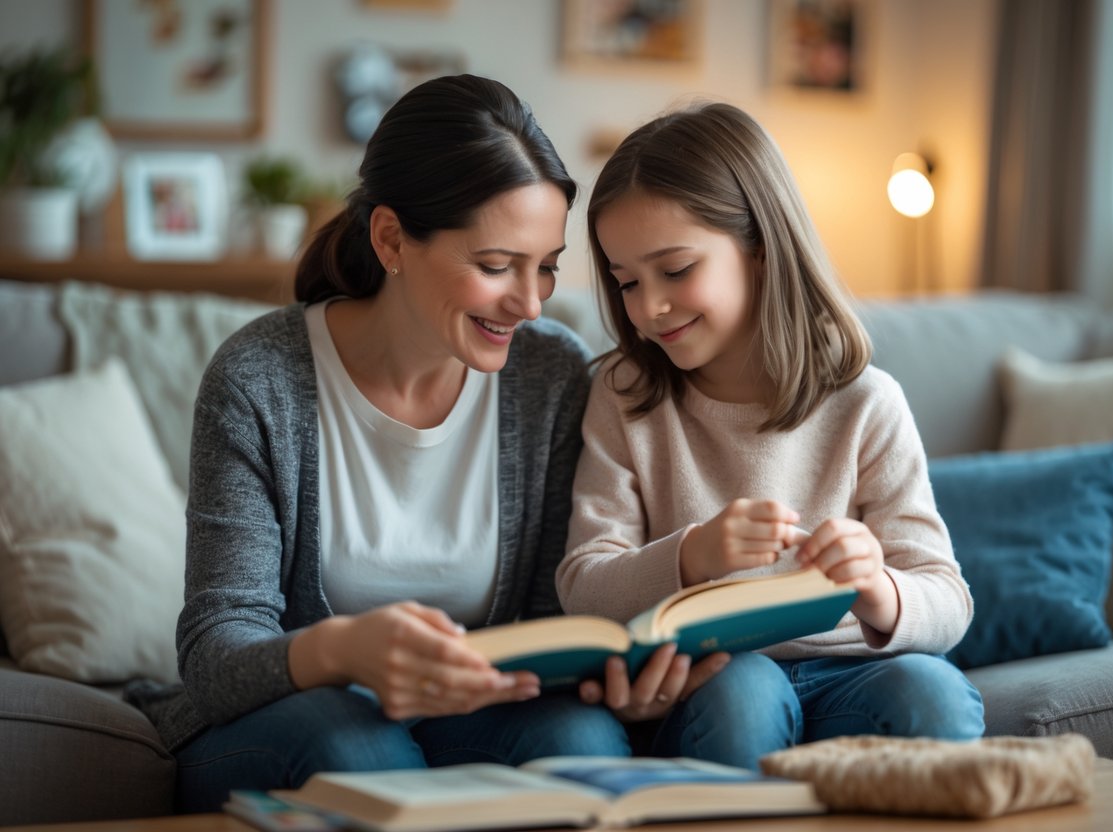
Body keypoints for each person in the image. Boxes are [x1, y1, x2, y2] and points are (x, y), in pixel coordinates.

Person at [136, 75, 639, 813]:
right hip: (295, 721)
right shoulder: (259, 377)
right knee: (362, 751)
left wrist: (612, 667)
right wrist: (344, 651)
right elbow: (216, 652)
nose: (529, 303)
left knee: (583, 745)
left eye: (548, 267)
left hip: (472, 716)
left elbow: (550, 618)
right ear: (391, 239)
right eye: (497, 267)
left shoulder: (550, 372)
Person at [557, 101, 985, 763]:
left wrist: (877, 584)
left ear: (759, 248)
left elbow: (947, 599)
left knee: (932, 694)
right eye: (625, 283)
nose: (648, 308)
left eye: (674, 271)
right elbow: (582, 584)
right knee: (745, 693)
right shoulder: (625, 396)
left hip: (855, 672)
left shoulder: (866, 402)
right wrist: (693, 555)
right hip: (717, 676)